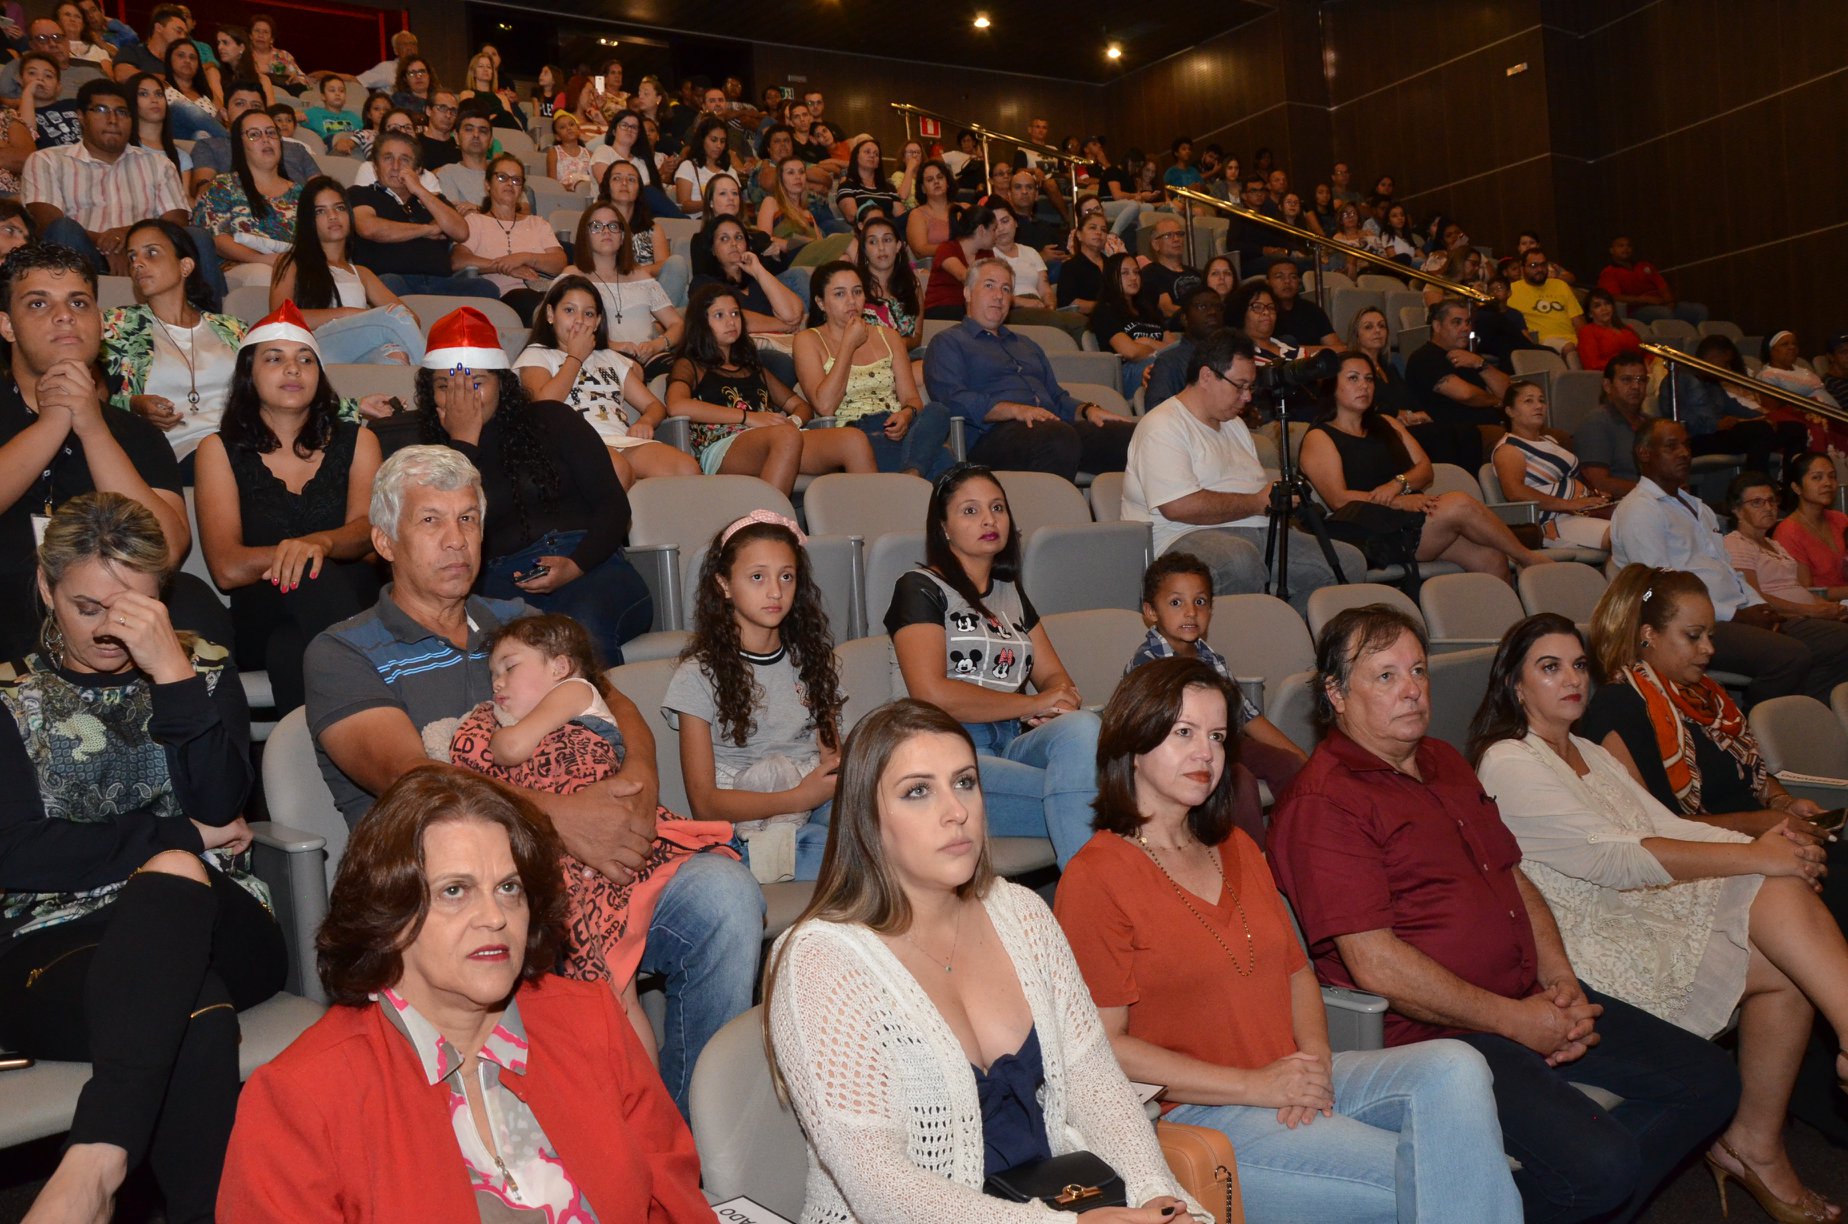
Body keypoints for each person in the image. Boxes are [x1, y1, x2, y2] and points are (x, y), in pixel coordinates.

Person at [302, 445, 761, 1112]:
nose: (456, 540)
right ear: (383, 540)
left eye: (468, 520)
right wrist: (562, 821)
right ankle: (596, 1140)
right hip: (446, 891)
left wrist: (635, 782)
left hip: (581, 866)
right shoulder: (342, 652)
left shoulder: (511, 618)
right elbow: (410, 776)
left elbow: (608, 697)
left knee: (725, 894)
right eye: (431, 521)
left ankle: (689, 1138)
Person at [1269, 603, 1743, 1224]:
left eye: (1417, 670)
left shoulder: (1444, 760)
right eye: (1384, 676)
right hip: (1437, 1037)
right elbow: (1376, 965)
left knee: (1710, 1082)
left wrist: (1561, 982)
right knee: (1602, 1167)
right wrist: (1517, 1023)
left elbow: (1511, 876)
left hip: (1525, 996)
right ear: (1335, 692)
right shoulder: (1325, 803)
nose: (1411, 689)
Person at [1056, 657, 1521, 1224]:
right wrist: (1257, 1086)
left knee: (1457, 1066)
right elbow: (1106, 1049)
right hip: (1204, 1114)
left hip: (1292, 1080)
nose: (1206, 753)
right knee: (1453, 1170)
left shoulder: (1237, 848)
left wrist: (1314, 1067)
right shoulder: (1096, 875)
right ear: (1132, 741)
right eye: (1183, 733)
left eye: (1218, 736)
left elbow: (1299, 972)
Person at [764, 699, 1204, 1223]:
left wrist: (1156, 1199)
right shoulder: (820, 961)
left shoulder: (1021, 914)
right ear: (868, 817)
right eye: (918, 791)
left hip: (1066, 1199)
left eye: (965, 782)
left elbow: (1096, 1081)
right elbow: (877, 1183)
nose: (956, 811)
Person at [1471, 612, 1848, 1224]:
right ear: (1515, 685)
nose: (1571, 679)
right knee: (1774, 892)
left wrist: (1770, 845)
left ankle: (1753, 1141)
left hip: (1641, 907)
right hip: (1590, 941)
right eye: (1549, 667)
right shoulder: (1509, 760)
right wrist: (1758, 856)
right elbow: (1614, 859)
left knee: (1786, 940)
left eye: (1578, 665)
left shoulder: (1589, 751)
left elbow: (1666, 828)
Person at [216, 766, 712, 1220]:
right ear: (389, 916)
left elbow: (675, 1204)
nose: (495, 917)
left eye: (509, 888)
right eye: (455, 890)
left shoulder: (591, 1023)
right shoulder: (300, 1101)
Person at [2, 491, 282, 1224]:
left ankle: (93, 1163)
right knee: (192, 1013)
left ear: (163, 595)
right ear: (45, 588)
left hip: (222, 921)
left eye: (133, 608)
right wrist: (177, 838)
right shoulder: (10, 696)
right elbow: (15, 851)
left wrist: (173, 676)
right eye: (87, 606)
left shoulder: (203, 670)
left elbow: (222, 805)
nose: (108, 629)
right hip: (52, 941)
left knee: (177, 889)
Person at [448, 615, 730, 1058]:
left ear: (559, 667)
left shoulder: (574, 692)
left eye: (510, 668)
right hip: (562, 855)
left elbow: (511, 748)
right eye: (493, 675)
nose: (497, 683)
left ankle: (645, 1104)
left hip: (602, 860)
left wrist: (496, 729)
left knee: (614, 994)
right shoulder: (547, 701)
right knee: (612, 998)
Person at [380, 308, 653, 663]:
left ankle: (593, 720)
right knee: (496, 652)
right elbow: (446, 531)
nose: (462, 396)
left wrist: (574, 565)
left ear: (501, 384)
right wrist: (464, 443)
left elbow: (614, 508)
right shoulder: (424, 456)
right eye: (445, 385)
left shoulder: (552, 420)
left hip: (590, 564)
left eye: (476, 382)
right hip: (496, 583)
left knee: (575, 634)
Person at [886, 464, 1104, 868]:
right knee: (1094, 800)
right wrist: (1031, 704)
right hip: (945, 752)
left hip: (1011, 744)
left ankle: (1088, 899)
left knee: (1084, 727)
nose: (989, 519)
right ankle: (1092, 904)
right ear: (943, 527)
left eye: (998, 508)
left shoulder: (1009, 593)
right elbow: (931, 694)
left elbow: (1056, 677)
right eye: (970, 511)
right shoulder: (918, 587)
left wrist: (1058, 701)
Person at [0, 242, 200, 663]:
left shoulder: (136, 434)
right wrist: (53, 423)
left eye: (79, 302)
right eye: (38, 303)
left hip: (112, 622)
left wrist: (91, 427)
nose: (64, 315)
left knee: (200, 617)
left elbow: (165, 550)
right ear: (7, 325)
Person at [191, 303, 381, 715]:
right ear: (249, 374)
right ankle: (380, 709)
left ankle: (309, 772)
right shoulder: (218, 450)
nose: (293, 370)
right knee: (313, 573)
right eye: (275, 359)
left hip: (337, 606)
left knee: (291, 650)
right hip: (262, 610)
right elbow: (227, 566)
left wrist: (320, 542)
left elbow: (369, 536)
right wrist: (309, 553)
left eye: (305, 360)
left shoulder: (359, 441)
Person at [1123, 329, 1362, 613]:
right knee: (1239, 561)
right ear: (1206, 376)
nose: (1247, 397)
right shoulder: (1162, 425)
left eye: (1251, 387)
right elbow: (1178, 506)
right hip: (1180, 539)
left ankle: (1284, 636)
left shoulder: (1234, 425)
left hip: (1256, 533)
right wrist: (1258, 502)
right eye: (1240, 386)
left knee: (1349, 561)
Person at [1612, 419, 1848, 706]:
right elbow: (1657, 588)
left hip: (1738, 611)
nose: (1685, 453)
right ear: (1644, 453)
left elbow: (1729, 570)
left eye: (1686, 445)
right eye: (1671, 446)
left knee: (1840, 642)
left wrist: (1757, 604)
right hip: (1689, 624)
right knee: (1790, 656)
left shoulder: (1698, 507)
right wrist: (1735, 614)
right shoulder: (1640, 509)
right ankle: (1752, 735)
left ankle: (1803, 722)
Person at [664, 513, 844, 884]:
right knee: (862, 850)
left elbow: (832, 765)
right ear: (724, 585)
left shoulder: (813, 662)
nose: (776, 591)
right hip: (746, 831)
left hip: (816, 811)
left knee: (891, 818)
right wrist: (797, 797)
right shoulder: (697, 676)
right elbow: (705, 803)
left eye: (787, 576)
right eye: (758, 577)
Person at [1302, 352, 1554, 579]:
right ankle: (1527, 557)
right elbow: (1338, 499)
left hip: (1411, 518)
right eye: (1353, 378)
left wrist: (1396, 485)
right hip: (1370, 532)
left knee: (1491, 560)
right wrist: (1399, 500)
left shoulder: (1387, 422)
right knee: (1459, 502)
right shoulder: (1319, 436)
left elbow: (1424, 469)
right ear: (1331, 385)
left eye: (1369, 379)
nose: (1364, 386)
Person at [925, 259, 1132, 481]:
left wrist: (1087, 410)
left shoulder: (1026, 345)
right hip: (991, 437)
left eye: (1006, 289)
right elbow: (953, 400)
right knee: (1058, 436)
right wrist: (1015, 411)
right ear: (967, 292)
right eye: (989, 285)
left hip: (1051, 430)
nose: (998, 295)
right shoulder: (948, 342)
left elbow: (1057, 397)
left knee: (1134, 438)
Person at [1126, 551, 1308, 801]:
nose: (1191, 612)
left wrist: (1300, 757)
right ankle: (1237, 842)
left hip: (1221, 742)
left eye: (1200, 602)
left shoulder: (1211, 659)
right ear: (1151, 611)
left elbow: (1246, 716)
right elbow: (1156, 737)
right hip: (1173, 752)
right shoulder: (1147, 664)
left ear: (1211, 609)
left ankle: (1293, 837)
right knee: (1238, 781)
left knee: (1290, 765)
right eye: (1176, 603)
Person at [22, 77, 225, 297]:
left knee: (196, 236)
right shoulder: (47, 160)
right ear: (81, 117)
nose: (112, 120)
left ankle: (217, 324)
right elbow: (46, 223)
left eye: (122, 112)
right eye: (101, 110)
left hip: (151, 256)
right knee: (64, 229)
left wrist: (130, 240)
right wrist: (105, 244)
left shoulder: (159, 165)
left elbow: (176, 221)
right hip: (82, 256)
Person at [666, 283, 870, 490]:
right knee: (785, 436)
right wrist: (749, 418)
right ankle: (767, 521)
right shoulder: (690, 365)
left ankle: (871, 520)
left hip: (779, 439)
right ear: (701, 323)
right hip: (723, 446)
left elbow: (800, 406)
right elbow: (676, 406)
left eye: (735, 314)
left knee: (853, 440)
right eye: (719, 315)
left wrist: (794, 420)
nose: (730, 321)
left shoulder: (752, 367)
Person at [513, 274, 695, 488]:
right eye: (569, 310)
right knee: (616, 468)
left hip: (621, 442)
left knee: (687, 469)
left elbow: (653, 405)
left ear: (598, 321)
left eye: (588, 313)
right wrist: (575, 357)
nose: (579, 320)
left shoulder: (611, 358)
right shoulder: (538, 354)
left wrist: (646, 421)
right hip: (572, 444)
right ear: (551, 314)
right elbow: (543, 406)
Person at [100, 218, 245, 468]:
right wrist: (134, 404)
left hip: (240, 444)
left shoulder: (232, 328)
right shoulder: (116, 326)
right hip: (172, 453)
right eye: (132, 257)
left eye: (152, 253)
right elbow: (94, 399)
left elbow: (263, 388)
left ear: (185, 266)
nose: (138, 264)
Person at [793, 261, 953, 479]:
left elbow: (911, 399)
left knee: (938, 411)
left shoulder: (889, 336)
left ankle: (912, 474)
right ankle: (922, 474)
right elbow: (825, 406)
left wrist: (907, 414)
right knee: (943, 461)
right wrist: (848, 345)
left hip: (898, 427)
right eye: (840, 294)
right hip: (853, 435)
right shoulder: (807, 340)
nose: (851, 301)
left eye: (857, 292)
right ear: (821, 303)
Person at [269, 175, 425, 366]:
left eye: (339, 208)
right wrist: (348, 313)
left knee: (395, 355)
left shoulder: (361, 273)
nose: (333, 216)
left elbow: (411, 319)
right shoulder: (291, 262)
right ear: (308, 220)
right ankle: (435, 383)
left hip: (352, 353)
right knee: (391, 316)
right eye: (320, 211)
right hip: (310, 349)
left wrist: (361, 318)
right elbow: (280, 317)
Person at [348, 130, 497, 299]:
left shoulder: (434, 200)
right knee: (388, 283)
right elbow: (369, 228)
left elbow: (461, 232)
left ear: (418, 170)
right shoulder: (361, 194)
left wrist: (419, 189)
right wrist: (428, 230)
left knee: (486, 288)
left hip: (441, 283)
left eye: (405, 160)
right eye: (388, 158)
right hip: (391, 280)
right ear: (375, 167)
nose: (396, 166)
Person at [1490, 379, 1613, 551]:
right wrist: (1569, 504)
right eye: (1529, 401)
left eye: (1541, 400)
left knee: (1645, 521)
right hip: (1552, 522)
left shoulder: (1550, 440)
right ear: (1510, 411)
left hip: (1580, 513)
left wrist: (1594, 497)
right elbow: (1515, 493)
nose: (1539, 406)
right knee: (1624, 535)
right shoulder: (1509, 449)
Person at [563, 203, 681, 374]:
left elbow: (677, 324)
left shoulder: (642, 278)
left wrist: (657, 345)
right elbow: (562, 329)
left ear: (623, 236)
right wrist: (614, 346)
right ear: (585, 235)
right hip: (597, 358)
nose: (606, 231)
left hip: (647, 362)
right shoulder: (572, 277)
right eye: (596, 226)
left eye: (613, 226)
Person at [450, 152, 564, 325]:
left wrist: (524, 257)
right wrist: (505, 267)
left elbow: (559, 263)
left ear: (521, 189)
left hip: (545, 292)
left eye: (516, 180)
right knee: (529, 301)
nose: (510, 183)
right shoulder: (474, 221)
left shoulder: (537, 223)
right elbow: (458, 261)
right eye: (502, 177)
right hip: (503, 299)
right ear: (487, 184)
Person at [191, 108, 297, 288]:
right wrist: (264, 259)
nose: (266, 139)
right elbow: (218, 239)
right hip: (241, 269)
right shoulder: (223, 186)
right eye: (254, 134)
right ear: (240, 145)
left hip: (295, 268)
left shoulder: (302, 193)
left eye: (271, 133)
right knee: (266, 275)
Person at [1672, 334, 1804, 477]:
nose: (1728, 368)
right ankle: (1756, 486)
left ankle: (1790, 488)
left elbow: (1733, 406)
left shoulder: (1712, 380)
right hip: (1698, 438)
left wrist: (1764, 417)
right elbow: (1706, 422)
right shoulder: (1686, 378)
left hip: (1719, 433)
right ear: (1712, 358)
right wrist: (1749, 421)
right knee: (1760, 430)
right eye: (1725, 363)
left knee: (1795, 429)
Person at [1402, 299, 1509, 470]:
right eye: (1456, 322)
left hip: (1490, 428)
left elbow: (1507, 391)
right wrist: (1495, 401)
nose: (1466, 328)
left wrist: (1481, 363)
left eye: (1467, 322)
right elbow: (1465, 394)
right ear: (1437, 326)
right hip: (1462, 437)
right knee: (1514, 443)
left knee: (1557, 438)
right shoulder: (1424, 357)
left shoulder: (1468, 357)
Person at [184, 80, 315, 196]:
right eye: (240, 104)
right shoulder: (209, 146)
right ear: (225, 114)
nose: (248, 110)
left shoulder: (296, 149)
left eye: (256, 106)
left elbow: (321, 192)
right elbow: (204, 193)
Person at [688, 214, 805, 336]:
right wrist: (783, 326)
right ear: (713, 249)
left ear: (747, 246)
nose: (733, 243)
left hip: (778, 345)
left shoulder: (759, 280)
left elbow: (794, 314)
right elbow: (733, 318)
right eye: (724, 239)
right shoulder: (703, 283)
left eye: (738, 237)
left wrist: (758, 270)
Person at [1091, 251, 1177, 396]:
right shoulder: (1105, 311)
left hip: (1158, 363)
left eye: (1136, 272)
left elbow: (1173, 347)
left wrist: (1147, 342)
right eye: (1125, 273)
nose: (1133, 277)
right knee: (1169, 367)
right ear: (1111, 277)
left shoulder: (1148, 309)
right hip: (1128, 372)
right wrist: (1158, 350)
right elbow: (1130, 352)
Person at [1572, 351, 1652, 497]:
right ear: (1607, 385)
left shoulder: (1651, 423)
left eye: (1641, 380)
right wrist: (1656, 492)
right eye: (1626, 380)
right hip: (1620, 508)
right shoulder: (1596, 423)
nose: (1636, 386)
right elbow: (1599, 484)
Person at [1773, 451, 1848, 594]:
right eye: (1817, 477)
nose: (1827, 483)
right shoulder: (1788, 532)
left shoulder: (1841, 519)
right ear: (1796, 488)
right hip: (1821, 611)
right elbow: (1807, 592)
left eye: (1832, 476)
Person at [1143, 284, 1223, 410]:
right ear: (1185, 319)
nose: (1212, 312)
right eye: (1202, 307)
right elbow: (1157, 414)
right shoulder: (1169, 363)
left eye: (1217, 307)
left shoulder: (1230, 357)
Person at [1598, 235, 1706, 327]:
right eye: (1621, 246)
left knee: (1699, 310)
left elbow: (1663, 286)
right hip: (1637, 310)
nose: (1626, 249)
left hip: (1662, 304)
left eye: (1628, 246)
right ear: (1611, 250)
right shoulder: (1609, 272)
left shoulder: (1645, 266)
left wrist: (1670, 302)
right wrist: (1644, 300)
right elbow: (1614, 296)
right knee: (1665, 314)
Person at [1506, 247, 1582, 365]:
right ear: (1522, 268)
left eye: (1543, 265)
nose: (1540, 269)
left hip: (1573, 340)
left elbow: (1578, 320)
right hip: (1543, 343)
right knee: (1569, 347)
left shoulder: (1560, 285)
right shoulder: (1511, 290)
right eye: (1533, 265)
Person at [921, 204, 997, 321]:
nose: (996, 235)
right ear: (981, 230)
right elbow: (963, 276)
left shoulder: (987, 253)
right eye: (994, 229)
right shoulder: (946, 248)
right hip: (941, 309)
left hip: (970, 307)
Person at [1267, 258, 1339, 348]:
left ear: (1298, 282)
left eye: (1293, 277)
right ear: (1268, 282)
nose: (1287, 281)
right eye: (1279, 276)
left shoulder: (1312, 310)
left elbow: (1336, 347)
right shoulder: (1264, 312)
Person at [1575, 287, 1644, 373]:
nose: (1604, 308)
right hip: (1614, 377)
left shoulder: (1625, 328)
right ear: (1590, 314)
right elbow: (1592, 365)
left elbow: (1643, 352)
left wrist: (1647, 362)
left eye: (1607, 303)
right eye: (1597, 306)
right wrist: (1628, 367)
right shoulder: (1587, 332)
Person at [903, 158, 955, 260]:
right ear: (922, 188)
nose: (936, 181)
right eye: (930, 179)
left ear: (947, 183)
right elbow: (920, 251)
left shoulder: (964, 208)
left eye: (940, 177)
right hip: (932, 269)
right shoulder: (917, 214)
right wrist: (954, 249)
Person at [303, 74, 361, 155]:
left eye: (341, 91)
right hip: (328, 152)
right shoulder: (314, 113)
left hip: (353, 152)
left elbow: (365, 134)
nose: (337, 94)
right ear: (323, 96)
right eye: (332, 90)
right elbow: (289, 119)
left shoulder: (353, 117)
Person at [355, 29, 417, 95]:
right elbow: (358, 80)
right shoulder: (387, 68)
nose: (409, 48)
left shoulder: (423, 70)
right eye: (404, 44)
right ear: (395, 50)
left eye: (412, 44)